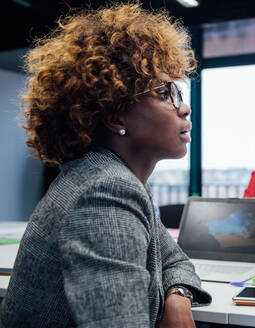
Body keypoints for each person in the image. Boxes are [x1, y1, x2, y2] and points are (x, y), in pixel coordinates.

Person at [0, 4, 211, 328]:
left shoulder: (108, 178)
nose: (183, 107)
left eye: (177, 92)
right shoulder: (105, 192)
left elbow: (174, 258)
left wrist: (178, 294)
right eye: (162, 92)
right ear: (115, 117)